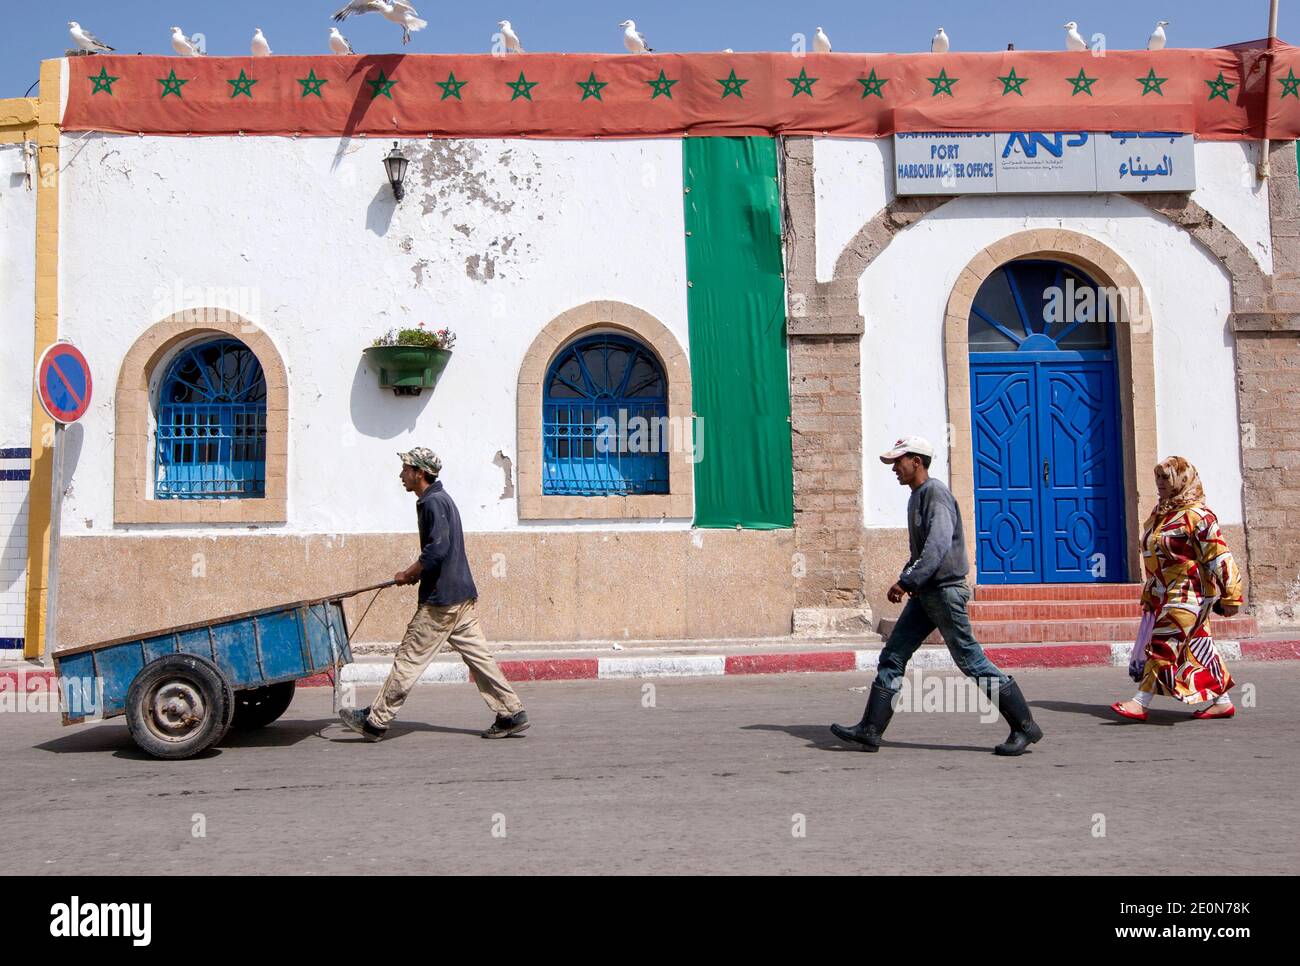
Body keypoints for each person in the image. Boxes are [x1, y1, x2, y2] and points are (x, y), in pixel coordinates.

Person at [831, 436, 1044, 756]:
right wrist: (906, 578)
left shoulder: (936, 494)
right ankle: (870, 730)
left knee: (971, 661)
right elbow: (920, 550)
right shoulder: (916, 497)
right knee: (893, 654)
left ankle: (1024, 726)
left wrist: (907, 581)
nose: (894, 469)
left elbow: (937, 545)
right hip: (926, 592)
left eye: (898, 462)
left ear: (916, 461)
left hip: (944, 592)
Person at [339, 448, 529, 741]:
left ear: (420, 473)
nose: (401, 475)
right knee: (480, 659)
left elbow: (437, 549)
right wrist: (419, 573)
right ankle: (510, 712)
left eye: (406, 469)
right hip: (460, 596)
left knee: (409, 658)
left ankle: (375, 721)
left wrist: (410, 573)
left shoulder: (432, 502)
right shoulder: (440, 499)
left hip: (442, 601)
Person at [1111, 456, 1243, 722]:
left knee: (1163, 644)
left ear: (1182, 480)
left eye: (1166, 478)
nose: (1160, 483)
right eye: (1158, 477)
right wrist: (1150, 592)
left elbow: (1219, 555)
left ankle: (1140, 703)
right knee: (1199, 645)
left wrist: (1232, 595)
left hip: (1188, 592)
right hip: (1166, 591)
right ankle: (1222, 702)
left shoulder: (1198, 516)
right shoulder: (1163, 513)